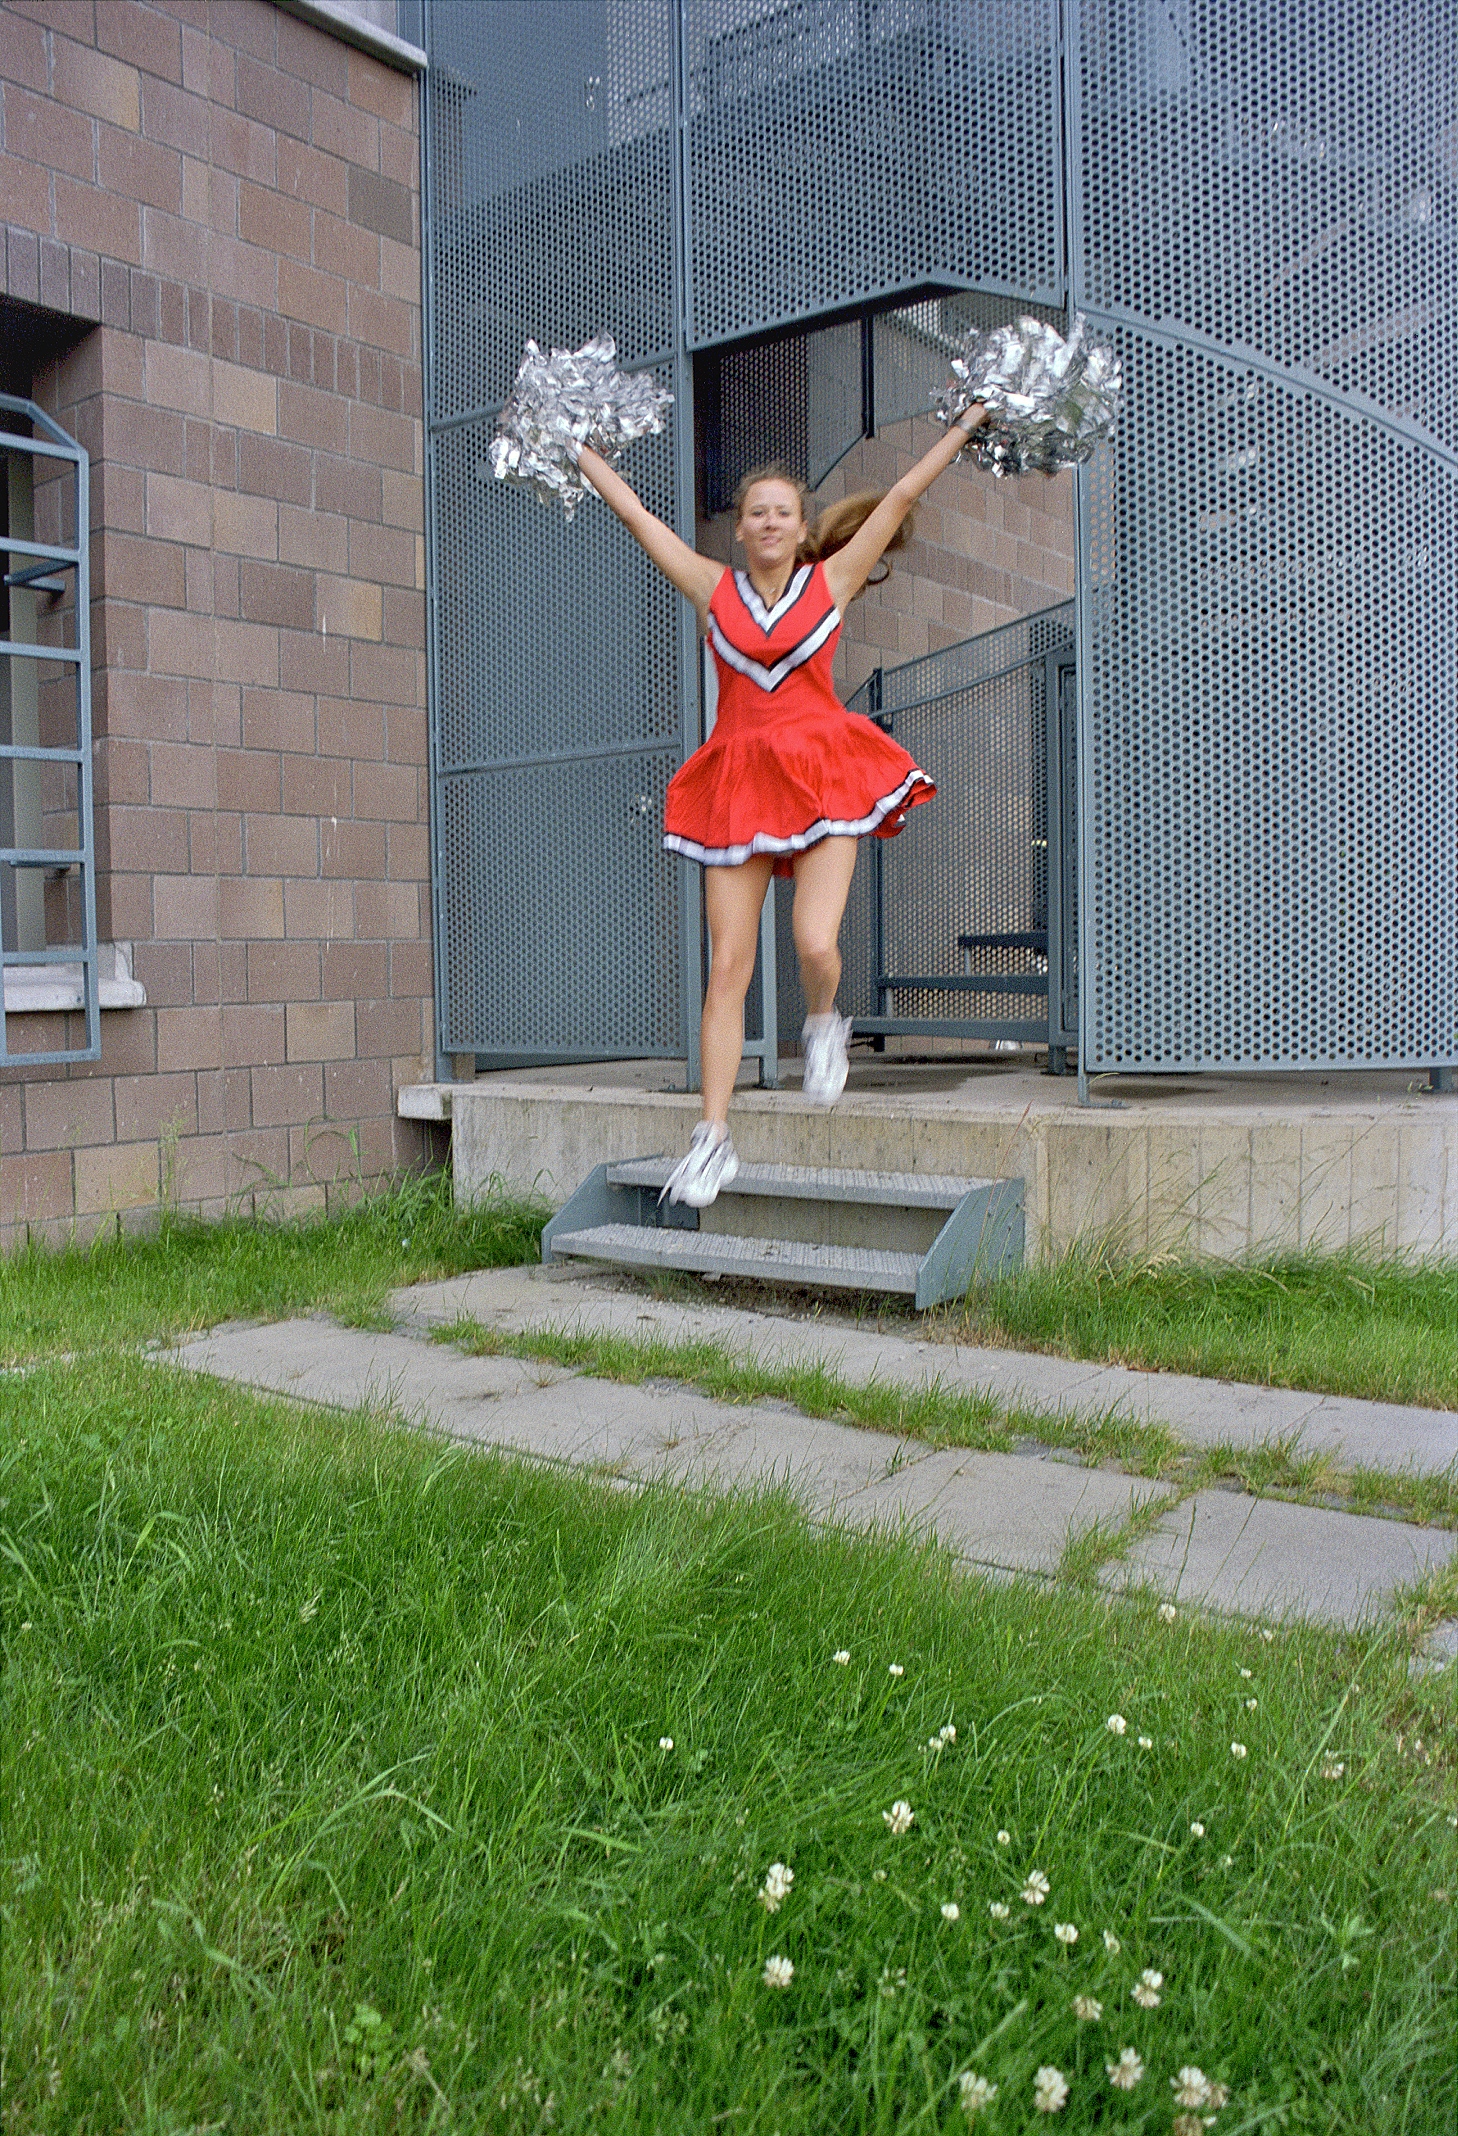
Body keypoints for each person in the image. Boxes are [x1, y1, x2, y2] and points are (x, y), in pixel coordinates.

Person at [577, 400, 992, 1207]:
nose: (768, 523)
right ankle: (711, 1138)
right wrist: (579, 451)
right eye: (754, 513)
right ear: (739, 529)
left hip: (826, 778)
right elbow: (634, 515)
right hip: (738, 786)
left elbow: (902, 495)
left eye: (781, 513)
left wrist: (965, 424)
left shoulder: (830, 582)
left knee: (813, 942)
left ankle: (824, 1020)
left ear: (802, 529)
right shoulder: (711, 588)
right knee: (727, 967)